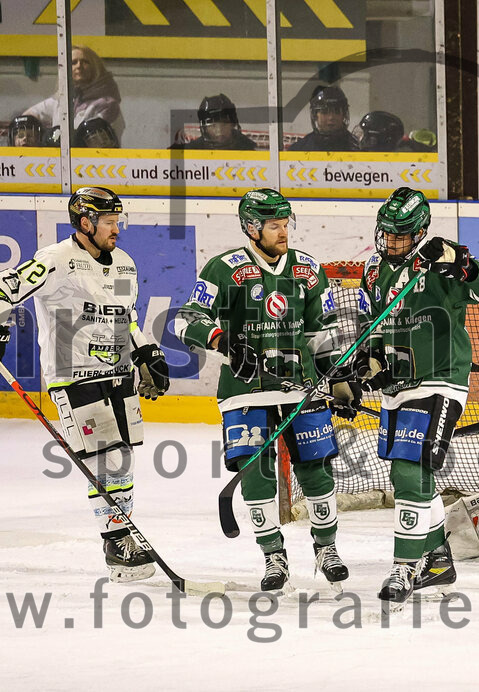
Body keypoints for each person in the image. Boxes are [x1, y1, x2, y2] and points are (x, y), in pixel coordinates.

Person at [0, 187, 170, 583]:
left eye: (118, 221)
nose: (117, 229)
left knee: (124, 458)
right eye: (109, 223)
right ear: (85, 223)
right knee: (105, 459)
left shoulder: (125, 264)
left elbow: (126, 317)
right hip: (73, 374)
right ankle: (115, 543)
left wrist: (147, 351)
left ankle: (123, 532)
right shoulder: (56, 260)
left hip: (118, 374)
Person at [175, 188, 351, 593]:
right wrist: (223, 342)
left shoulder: (307, 268)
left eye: (286, 224)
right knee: (256, 472)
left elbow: (320, 333)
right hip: (245, 390)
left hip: (301, 388)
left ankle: (327, 549)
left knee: (315, 467)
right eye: (274, 225)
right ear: (252, 228)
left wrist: (337, 379)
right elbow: (187, 320)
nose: (283, 231)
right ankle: (274, 555)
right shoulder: (223, 268)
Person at [350, 187, 479, 603]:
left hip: (441, 379)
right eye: (386, 234)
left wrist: (465, 265)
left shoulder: (444, 258)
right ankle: (438, 559)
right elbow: (373, 326)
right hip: (396, 388)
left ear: (420, 232)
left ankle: (403, 569)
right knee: (411, 476)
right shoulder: (373, 268)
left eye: (401, 235)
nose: (392, 242)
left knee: (409, 469)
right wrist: (366, 364)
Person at [25, 45, 125, 143]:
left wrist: (54, 136)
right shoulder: (60, 100)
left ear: (95, 67)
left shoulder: (107, 104)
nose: (79, 66)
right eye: (73, 62)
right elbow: (29, 116)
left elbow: (93, 139)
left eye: (85, 62)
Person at [171, 93, 257, 150]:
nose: (219, 131)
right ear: (205, 128)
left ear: (232, 123)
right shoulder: (194, 149)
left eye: (224, 124)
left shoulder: (247, 148)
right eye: (213, 125)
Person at [288, 85, 358, 152]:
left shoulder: (357, 148)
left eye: (336, 111)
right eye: (325, 112)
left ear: (344, 115)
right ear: (315, 115)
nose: (331, 117)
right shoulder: (299, 149)